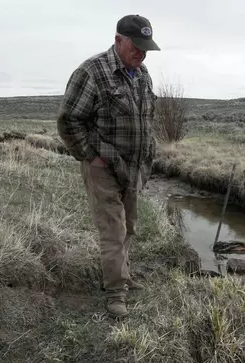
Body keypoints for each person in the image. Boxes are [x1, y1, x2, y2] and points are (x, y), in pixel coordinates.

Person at [56, 14, 160, 318]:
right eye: (136, 46)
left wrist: (147, 161)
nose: (141, 53)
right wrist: (92, 156)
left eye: (145, 48)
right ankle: (116, 293)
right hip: (103, 167)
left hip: (133, 168)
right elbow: (69, 121)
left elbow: (147, 121)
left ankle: (121, 275)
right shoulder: (91, 72)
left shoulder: (143, 75)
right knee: (113, 231)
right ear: (118, 40)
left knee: (129, 227)